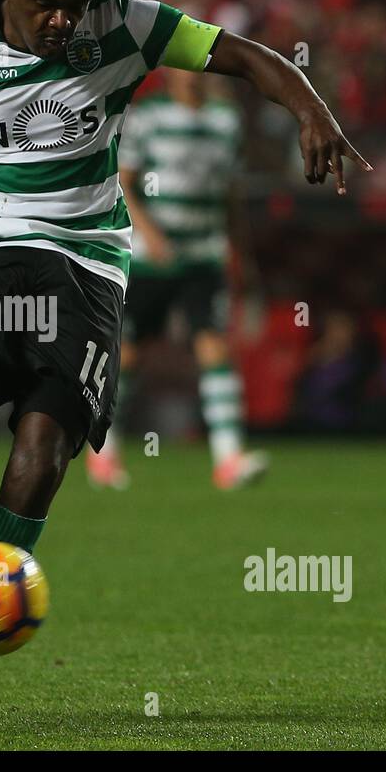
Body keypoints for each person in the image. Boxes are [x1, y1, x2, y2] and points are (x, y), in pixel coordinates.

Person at [0, 0, 367, 725]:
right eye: (48, 5)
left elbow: (241, 55)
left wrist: (311, 109)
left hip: (83, 262)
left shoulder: (122, 22)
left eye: (74, 6)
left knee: (43, 453)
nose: (64, 22)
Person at [85, 67, 268, 491]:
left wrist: (243, 254)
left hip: (204, 254)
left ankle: (228, 458)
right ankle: (103, 451)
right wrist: (148, 232)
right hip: (152, 259)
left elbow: (231, 194)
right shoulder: (149, 117)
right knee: (128, 353)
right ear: (168, 72)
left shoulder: (227, 120)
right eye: (184, 66)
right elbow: (123, 182)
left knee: (214, 345)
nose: (193, 75)